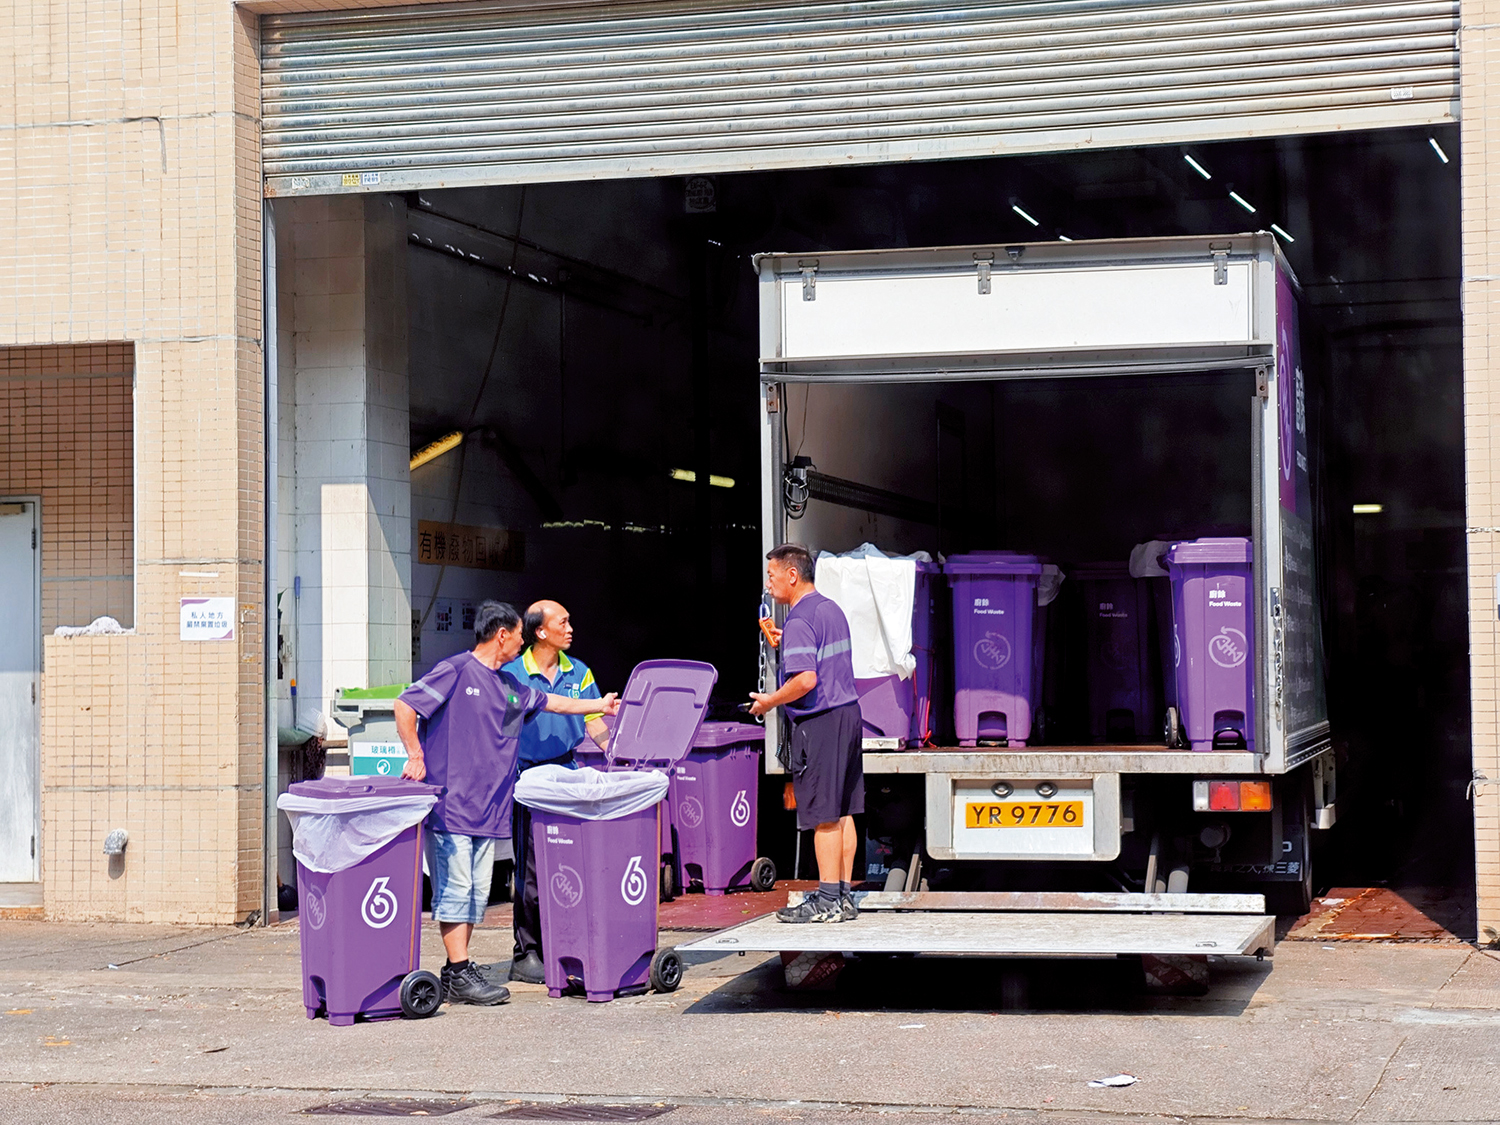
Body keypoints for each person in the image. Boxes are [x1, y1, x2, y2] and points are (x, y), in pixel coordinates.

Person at [394, 600, 619, 1006]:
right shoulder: (457, 671)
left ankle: (456, 972)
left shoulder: (507, 686)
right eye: (518, 634)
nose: (521, 641)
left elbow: (554, 703)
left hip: (488, 808)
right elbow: (406, 704)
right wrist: (415, 754)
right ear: (503, 635)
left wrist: (599, 706)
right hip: (454, 805)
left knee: (475, 894)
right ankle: (459, 971)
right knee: (456, 890)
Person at [749, 544, 864, 924]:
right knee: (844, 809)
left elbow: (806, 679)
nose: (769, 584)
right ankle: (844, 895)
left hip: (821, 721)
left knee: (823, 815)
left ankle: (827, 899)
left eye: (771, 575)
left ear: (792, 575)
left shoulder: (800, 619)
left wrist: (770, 701)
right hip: (848, 713)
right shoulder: (829, 608)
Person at [501, 600, 610, 985]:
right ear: (540, 632)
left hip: (568, 774)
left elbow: (595, 718)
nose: (570, 627)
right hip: (529, 780)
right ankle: (526, 952)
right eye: (562, 622)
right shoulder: (512, 673)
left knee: (569, 865)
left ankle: (565, 941)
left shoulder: (577, 671)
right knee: (530, 871)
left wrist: (614, 752)